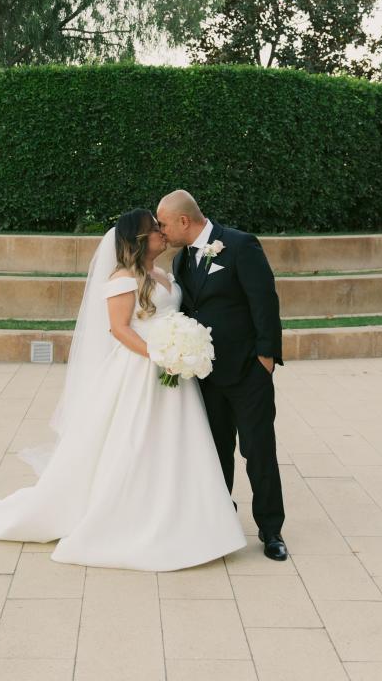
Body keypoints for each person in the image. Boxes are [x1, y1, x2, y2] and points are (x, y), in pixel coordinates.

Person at [0, 208, 246, 571]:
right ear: (139, 240)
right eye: (155, 229)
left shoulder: (166, 274)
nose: (162, 232)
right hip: (140, 372)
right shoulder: (123, 278)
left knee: (177, 443)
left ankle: (189, 518)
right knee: (135, 442)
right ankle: (132, 516)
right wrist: (159, 354)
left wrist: (182, 350)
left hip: (174, 374)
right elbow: (119, 329)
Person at [156, 190, 288, 561]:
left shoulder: (240, 245)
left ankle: (271, 530)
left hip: (248, 371)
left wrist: (266, 358)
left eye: (164, 224)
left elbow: (265, 301)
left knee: (258, 451)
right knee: (215, 451)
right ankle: (220, 522)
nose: (161, 231)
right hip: (206, 374)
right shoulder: (181, 259)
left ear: (184, 220)